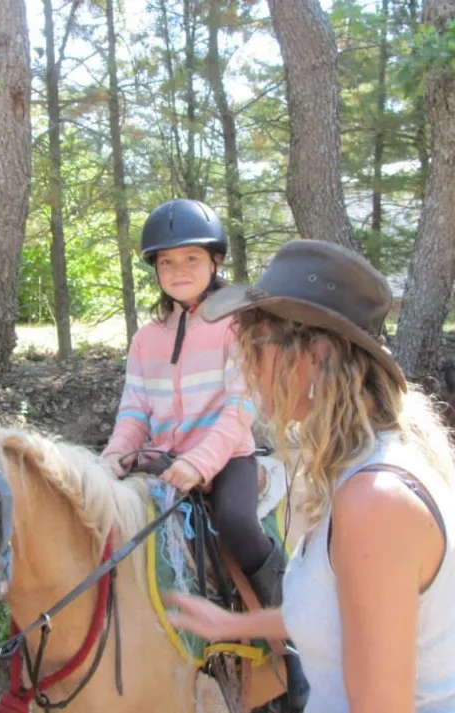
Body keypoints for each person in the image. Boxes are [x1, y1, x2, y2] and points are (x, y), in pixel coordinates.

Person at [166, 239, 455, 713]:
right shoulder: (365, 467)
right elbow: (339, 612)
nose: (245, 368)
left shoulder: (374, 501)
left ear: (315, 356)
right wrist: (231, 625)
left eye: (255, 348)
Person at [101, 198, 308, 709]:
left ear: (215, 263)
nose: (177, 270)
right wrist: (111, 458)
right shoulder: (146, 338)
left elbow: (239, 407)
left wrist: (200, 463)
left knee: (237, 522)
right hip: (162, 459)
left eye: (190, 259)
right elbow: (135, 410)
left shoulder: (237, 326)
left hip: (226, 457)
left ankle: (297, 642)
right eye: (166, 262)